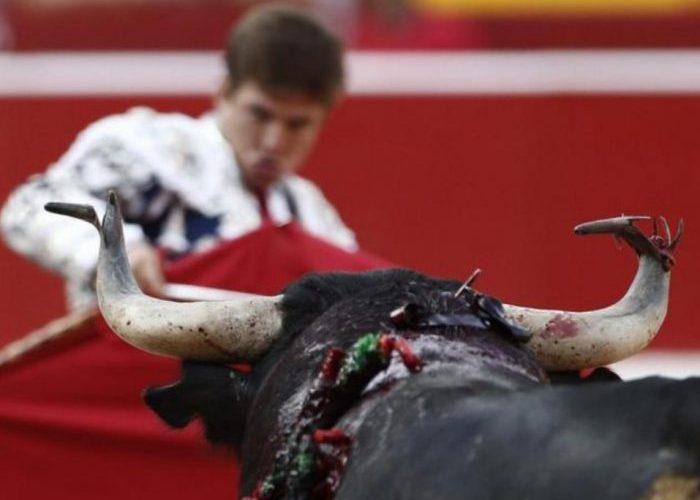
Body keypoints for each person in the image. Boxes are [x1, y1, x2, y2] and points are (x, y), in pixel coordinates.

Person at [0, 3, 357, 310]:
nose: (274, 141)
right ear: (224, 91)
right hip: (129, 365)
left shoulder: (313, 215)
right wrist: (116, 252)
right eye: (259, 115)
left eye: (297, 125)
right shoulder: (153, 149)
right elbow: (30, 206)